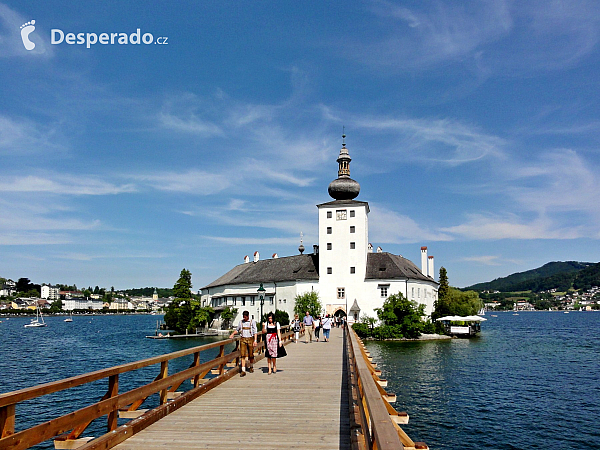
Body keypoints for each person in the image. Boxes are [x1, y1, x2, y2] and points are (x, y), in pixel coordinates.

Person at [229, 310, 257, 377]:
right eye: (243, 317)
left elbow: (255, 331)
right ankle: (243, 370)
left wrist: (255, 340)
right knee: (242, 355)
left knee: (251, 354)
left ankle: (251, 366)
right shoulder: (241, 322)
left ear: (248, 316)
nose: (244, 318)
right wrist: (232, 334)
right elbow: (237, 330)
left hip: (250, 338)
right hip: (243, 339)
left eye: (245, 317)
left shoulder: (252, 322)